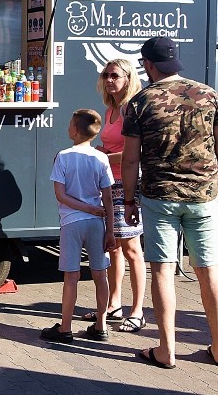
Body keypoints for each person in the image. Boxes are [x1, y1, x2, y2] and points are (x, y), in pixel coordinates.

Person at [121, 36, 218, 369]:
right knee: (207, 271)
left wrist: (129, 200)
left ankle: (166, 351)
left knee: (162, 271)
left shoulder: (140, 102)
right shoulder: (208, 94)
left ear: (148, 65)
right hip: (204, 195)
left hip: (159, 196)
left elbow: (130, 160)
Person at [80, 59, 147, 333]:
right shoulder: (109, 111)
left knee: (132, 249)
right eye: (105, 75)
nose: (109, 80)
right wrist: (96, 150)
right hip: (109, 183)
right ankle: (113, 304)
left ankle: (138, 311)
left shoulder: (134, 109)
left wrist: (104, 156)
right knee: (114, 247)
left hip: (129, 185)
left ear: (128, 78)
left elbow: (137, 153)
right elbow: (109, 146)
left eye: (115, 76)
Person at [41, 109, 116, 344]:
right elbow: (108, 198)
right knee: (100, 274)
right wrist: (110, 228)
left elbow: (61, 196)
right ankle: (101, 325)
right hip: (97, 224)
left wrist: (85, 208)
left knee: (71, 276)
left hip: (72, 222)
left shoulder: (62, 156)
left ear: (74, 130)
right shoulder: (101, 158)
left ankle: (65, 328)